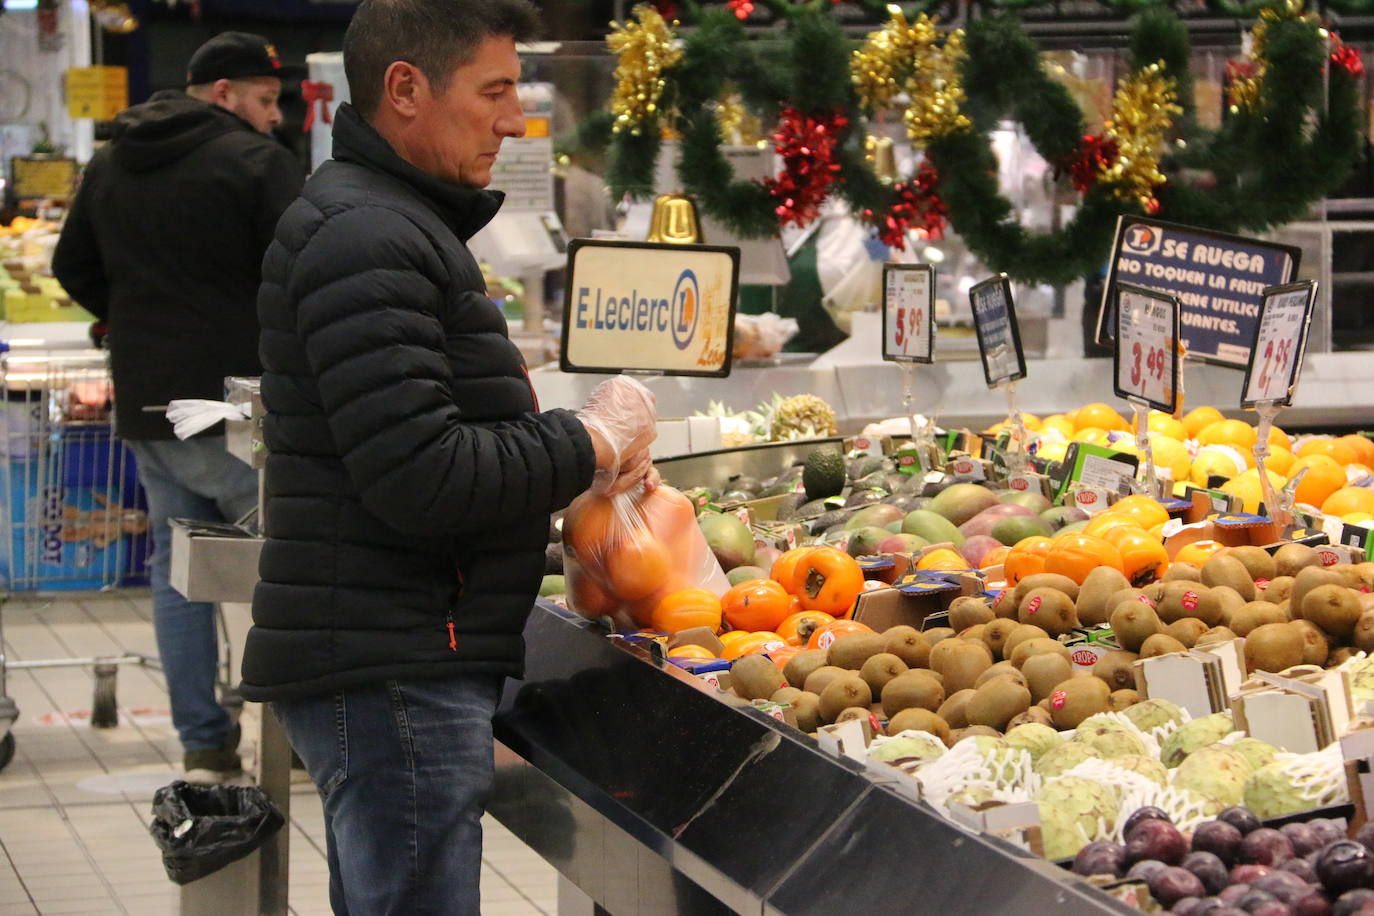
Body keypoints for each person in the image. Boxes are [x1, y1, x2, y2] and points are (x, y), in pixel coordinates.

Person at [240, 1, 658, 912]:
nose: (515, 120)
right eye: (496, 91)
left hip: (399, 647)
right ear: (405, 90)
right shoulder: (366, 235)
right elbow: (423, 475)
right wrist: (589, 440)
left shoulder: (391, 222)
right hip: (395, 664)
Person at [51, 32, 305, 783]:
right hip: (235, 408)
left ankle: (204, 739)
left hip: (146, 400)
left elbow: (72, 264)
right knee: (290, 563)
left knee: (179, 570)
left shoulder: (111, 160)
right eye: (264, 100)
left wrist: (125, 319)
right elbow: (304, 271)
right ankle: (292, 735)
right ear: (223, 93)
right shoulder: (259, 165)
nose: (273, 117)